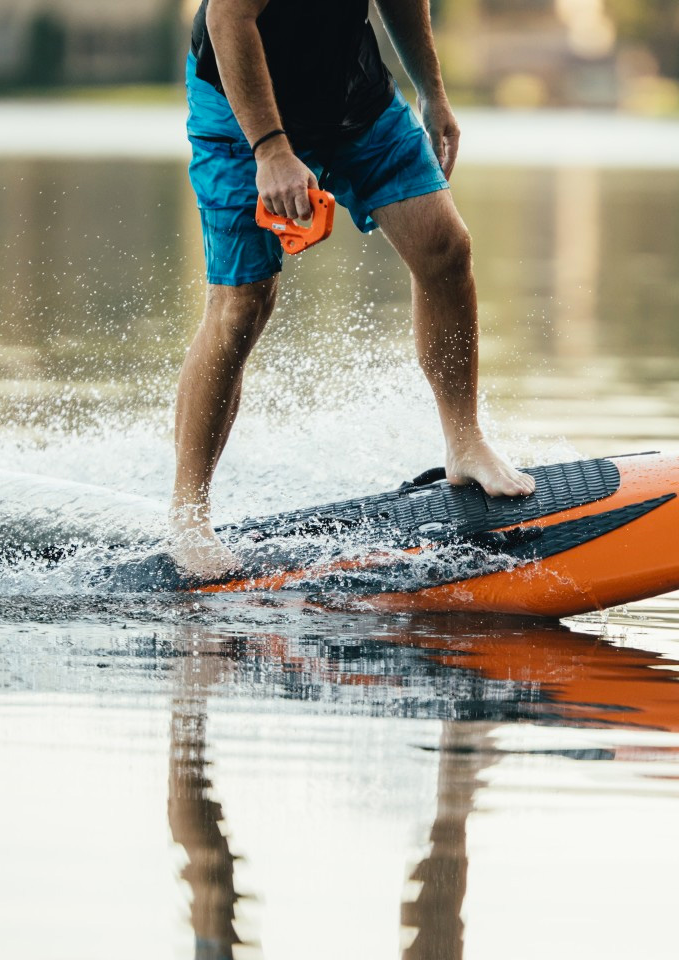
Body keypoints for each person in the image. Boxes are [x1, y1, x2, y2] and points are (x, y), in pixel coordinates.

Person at [172, 0, 535, 579]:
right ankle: (189, 514)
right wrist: (271, 150)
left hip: (350, 95)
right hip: (240, 112)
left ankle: (465, 444)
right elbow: (227, 20)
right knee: (242, 306)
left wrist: (432, 93)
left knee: (445, 247)